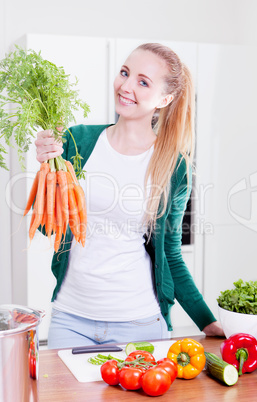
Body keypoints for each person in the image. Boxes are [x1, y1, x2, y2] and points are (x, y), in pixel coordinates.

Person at [35, 43, 224, 349]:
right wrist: (47, 168)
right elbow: (48, 228)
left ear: (165, 99)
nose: (125, 86)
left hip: (140, 324)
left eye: (143, 81)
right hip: (70, 318)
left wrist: (206, 320)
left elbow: (171, 256)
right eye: (125, 72)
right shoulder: (77, 140)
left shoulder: (174, 166)